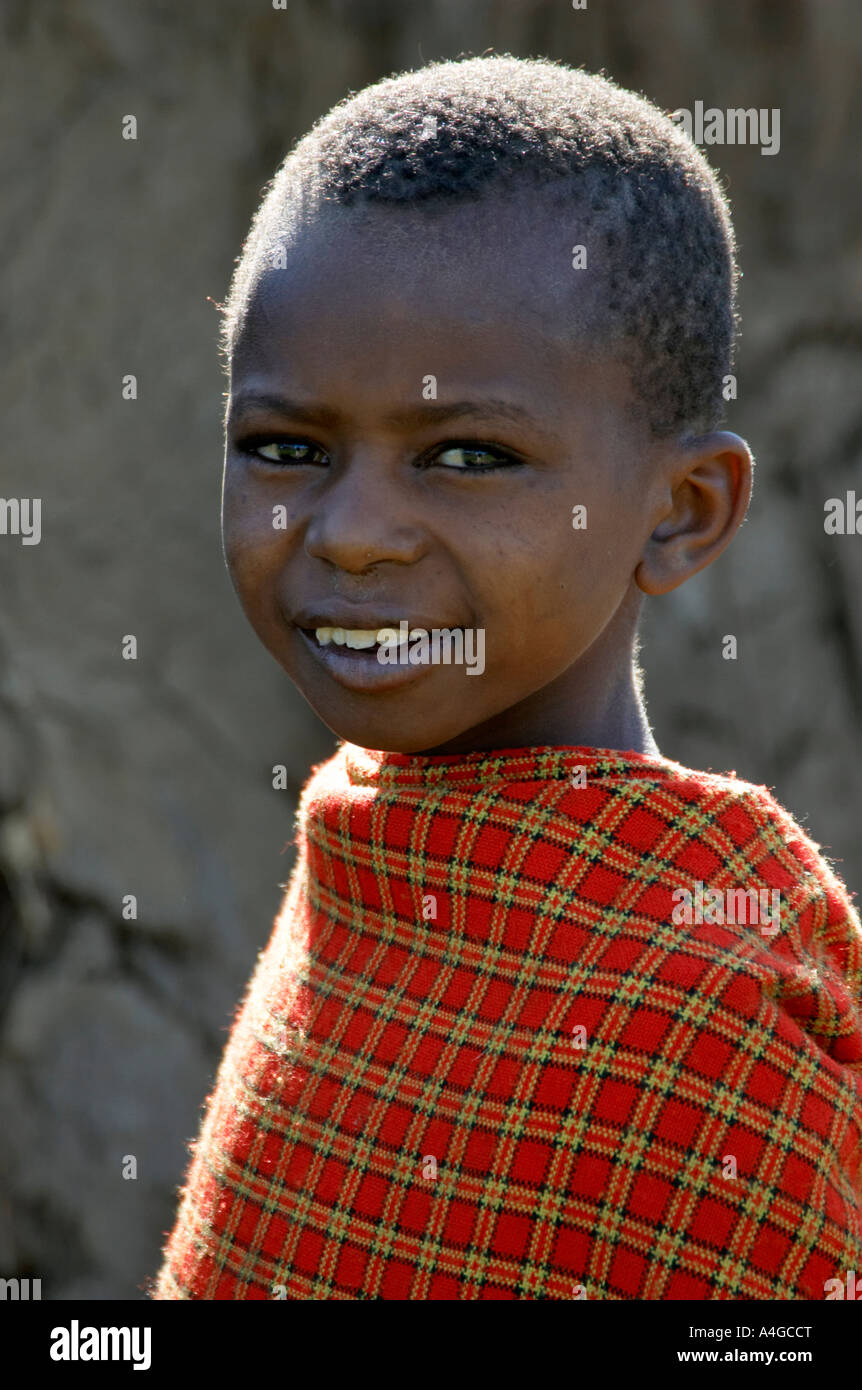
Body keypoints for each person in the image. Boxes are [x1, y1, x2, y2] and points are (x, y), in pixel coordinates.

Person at [150, 55, 862, 1300]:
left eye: (467, 454)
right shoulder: (370, 847)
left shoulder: (710, 1027)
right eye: (284, 447)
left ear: (683, 512)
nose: (352, 531)